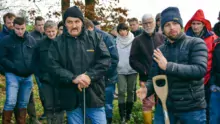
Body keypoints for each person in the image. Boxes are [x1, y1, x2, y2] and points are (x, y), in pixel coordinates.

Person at [136, 7, 208, 124]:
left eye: (175, 23)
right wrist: (147, 89)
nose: (172, 27)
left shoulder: (195, 43)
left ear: (181, 25)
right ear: (163, 29)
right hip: (166, 106)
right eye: (167, 25)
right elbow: (154, 78)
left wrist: (168, 66)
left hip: (192, 108)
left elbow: (199, 70)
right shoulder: (160, 50)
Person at [46, 6, 111, 124]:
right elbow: (52, 66)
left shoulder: (95, 38)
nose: (74, 25)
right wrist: (73, 78)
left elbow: (105, 60)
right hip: (70, 94)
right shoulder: (57, 43)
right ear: (65, 24)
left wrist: (89, 76)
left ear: (82, 22)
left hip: (94, 93)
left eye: (77, 21)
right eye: (70, 22)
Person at [0, 17, 37, 124]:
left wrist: (32, 68)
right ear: (13, 27)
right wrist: (13, 67)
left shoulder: (31, 40)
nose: (20, 31)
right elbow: (2, 58)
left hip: (28, 76)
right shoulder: (6, 40)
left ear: (25, 27)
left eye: (22, 28)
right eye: (17, 29)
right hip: (12, 75)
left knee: (23, 103)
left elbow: (36, 57)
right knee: (11, 101)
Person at [129, 13, 164, 124]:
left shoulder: (161, 37)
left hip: (161, 76)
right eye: (145, 23)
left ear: (154, 22)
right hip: (145, 77)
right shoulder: (137, 40)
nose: (148, 25)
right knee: (147, 103)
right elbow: (132, 60)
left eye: (150, 22)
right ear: (142, 24)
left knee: (162, 101)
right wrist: (143, 70)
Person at [184, 9, 218, 122]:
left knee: (208, 106)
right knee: (192, 107)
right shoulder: (185, 38)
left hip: (208, 78)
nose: (195, 26)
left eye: (198, 23)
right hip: (190, 78)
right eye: (193, 23)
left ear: (203, 25)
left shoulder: (212, 38)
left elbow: (215, 58)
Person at [84, 18, 119, 124]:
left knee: (107, 104)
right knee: (93, 105)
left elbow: (114, 59)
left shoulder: (106, 37)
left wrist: (102, 74)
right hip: (92, 79)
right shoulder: (85, 38)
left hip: (108, 78)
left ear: (90, 27)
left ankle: (108, 121)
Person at [33, 20, 64, 124]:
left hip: (60, 79)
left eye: (53, 31)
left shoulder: (62, 42)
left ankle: (59, 122)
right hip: (46, 79)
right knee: (49, 105)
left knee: (59, 105)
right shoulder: (40, 44)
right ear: (45, 31)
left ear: (56, 30)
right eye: (48, 31)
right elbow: (35, 61)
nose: (51, 33)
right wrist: (40, 74)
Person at [116, 23, 137, 123]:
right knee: (121, 91)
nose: (122, 32)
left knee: (131, 91)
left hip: (132, 70)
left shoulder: (134, 40)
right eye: (120, 30)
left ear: (127, 30)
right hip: (120, 70)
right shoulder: (116, 41)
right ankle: (122, 115)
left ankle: (129, 113)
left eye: (124, 30)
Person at [209, 21, 220, 124]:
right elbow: (213, 67)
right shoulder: (217, 47)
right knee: (214, 118)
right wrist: (212, 84)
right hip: (217, 88)